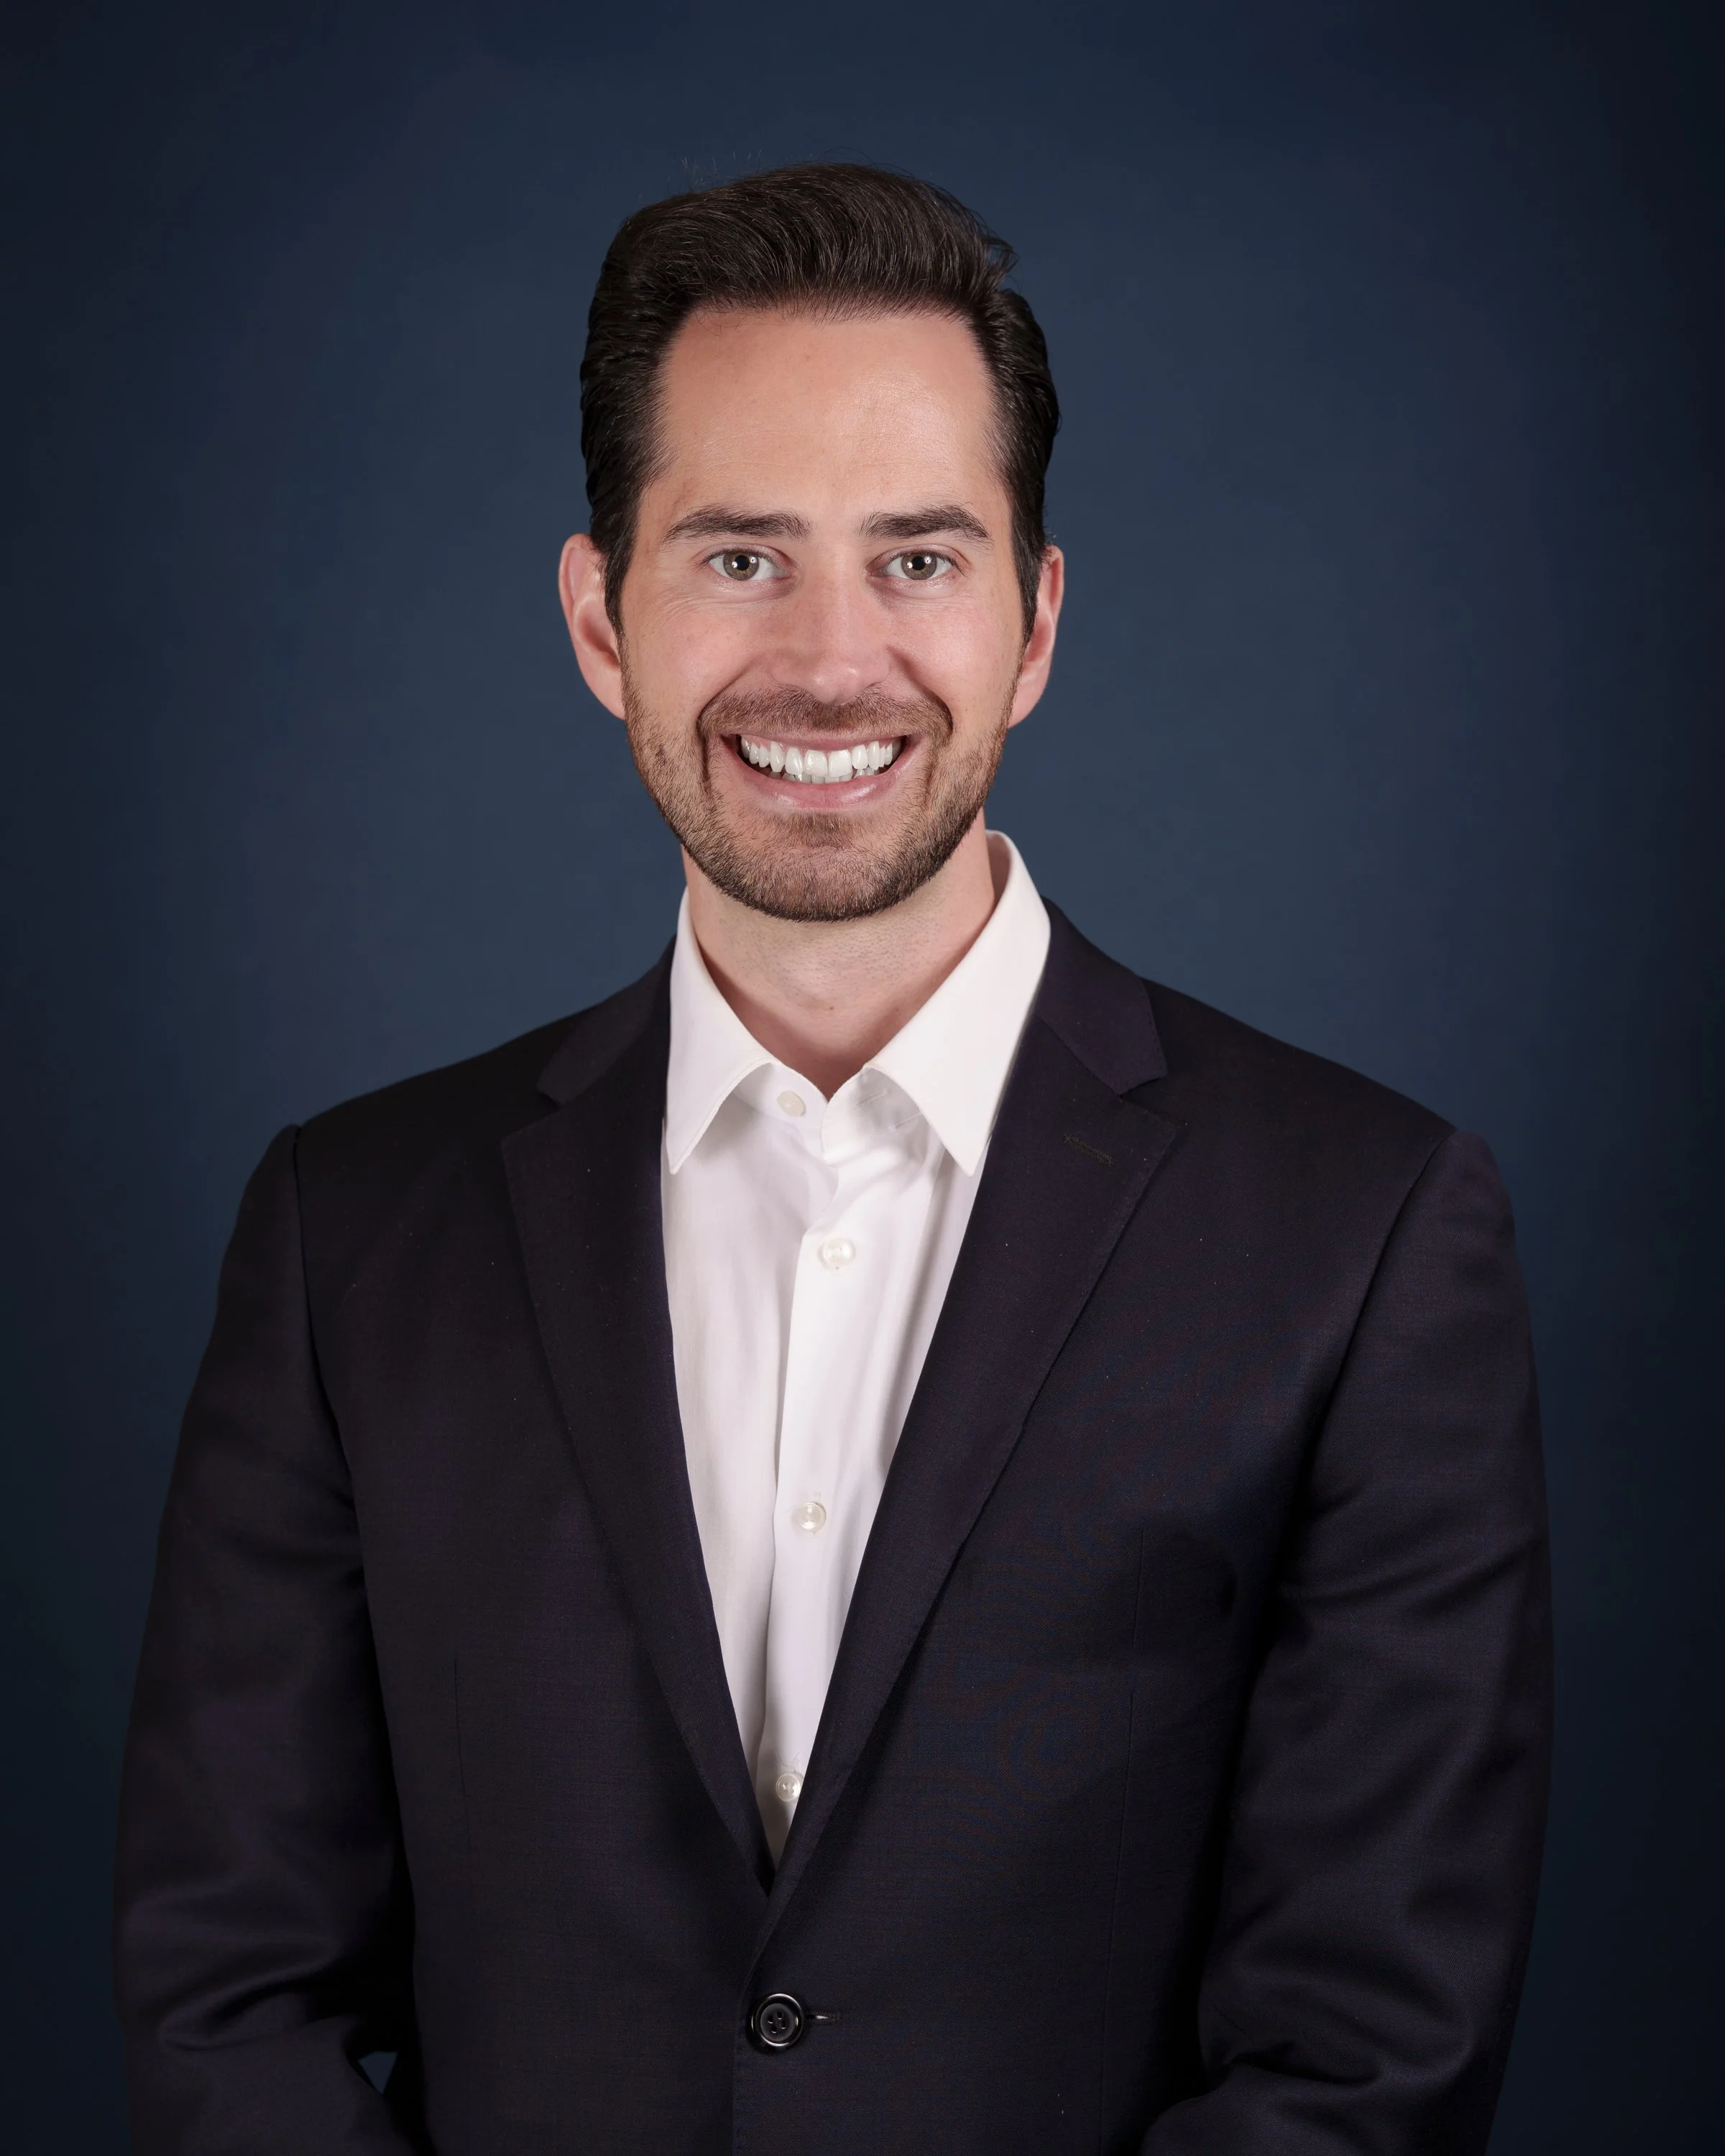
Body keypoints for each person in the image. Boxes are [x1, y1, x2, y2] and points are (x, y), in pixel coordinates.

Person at [114, 165, 1551, 2155]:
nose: (831, 659)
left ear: (1034, 625)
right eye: (739, 556)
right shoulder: (345, 1230)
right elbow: (230, 1997)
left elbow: (1368, 2056)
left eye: (919, 557)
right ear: (601, 619)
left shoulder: (1366, 1229)